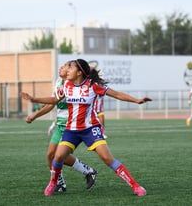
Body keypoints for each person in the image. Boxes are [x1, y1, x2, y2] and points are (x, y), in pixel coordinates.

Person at [20, 59, 152, 197]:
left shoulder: (93, 86)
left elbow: (117, 94)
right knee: (58, 156)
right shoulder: (66, 86)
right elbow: (53, 100)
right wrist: (33, 99)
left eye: (70, 67)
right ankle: (53, 183)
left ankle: (135, 186)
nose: (68, 70)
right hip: (71, 130)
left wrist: (137, 100)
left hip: (90, 129)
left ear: (79, 72)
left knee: (107, 158)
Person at [26, 61, 98, 193]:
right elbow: (52, 103)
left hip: (71, 125)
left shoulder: (75, 84)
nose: (62, 67)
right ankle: (60, 183)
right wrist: (35, 116)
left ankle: (88, 171)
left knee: (59, 156)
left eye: (66, 66)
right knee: (50, 155)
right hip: (60, 124)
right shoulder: (60, 82)